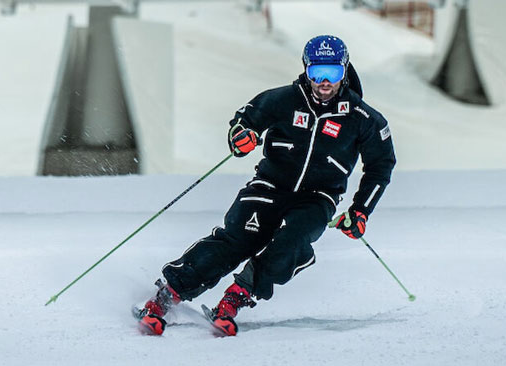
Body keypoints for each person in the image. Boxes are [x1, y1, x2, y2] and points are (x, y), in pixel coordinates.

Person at [136, 35, 396, 336]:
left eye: (333, 74)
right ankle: (164, 298)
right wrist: (241, 136)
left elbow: (381, 166)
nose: (325, 82)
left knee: (293, 241)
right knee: (237, 239)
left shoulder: (363, 118)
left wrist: (360, 210)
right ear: (306, 69)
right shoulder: (283, 100)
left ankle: (236, 297)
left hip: (317, 198)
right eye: (317, 73)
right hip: (269, 186)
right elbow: (245, 120)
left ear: (345, 70)